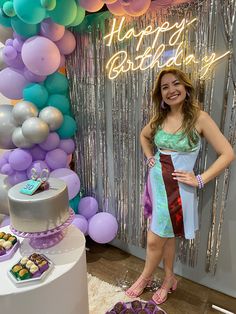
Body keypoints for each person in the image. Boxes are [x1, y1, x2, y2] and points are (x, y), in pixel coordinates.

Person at [125, 67, 235, 304]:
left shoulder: (200, 118)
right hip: (156, 184)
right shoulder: (159, 118)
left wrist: (200, 179)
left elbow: (227, 153)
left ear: (186, 87)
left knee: (156, 239)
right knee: (166, 236)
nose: (171, 90)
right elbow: (144, 136)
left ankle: (144, 277)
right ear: (160, 94)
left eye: (176, 84)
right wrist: (148, 156)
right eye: (165, 87)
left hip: (178, 189)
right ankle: (168, 278)